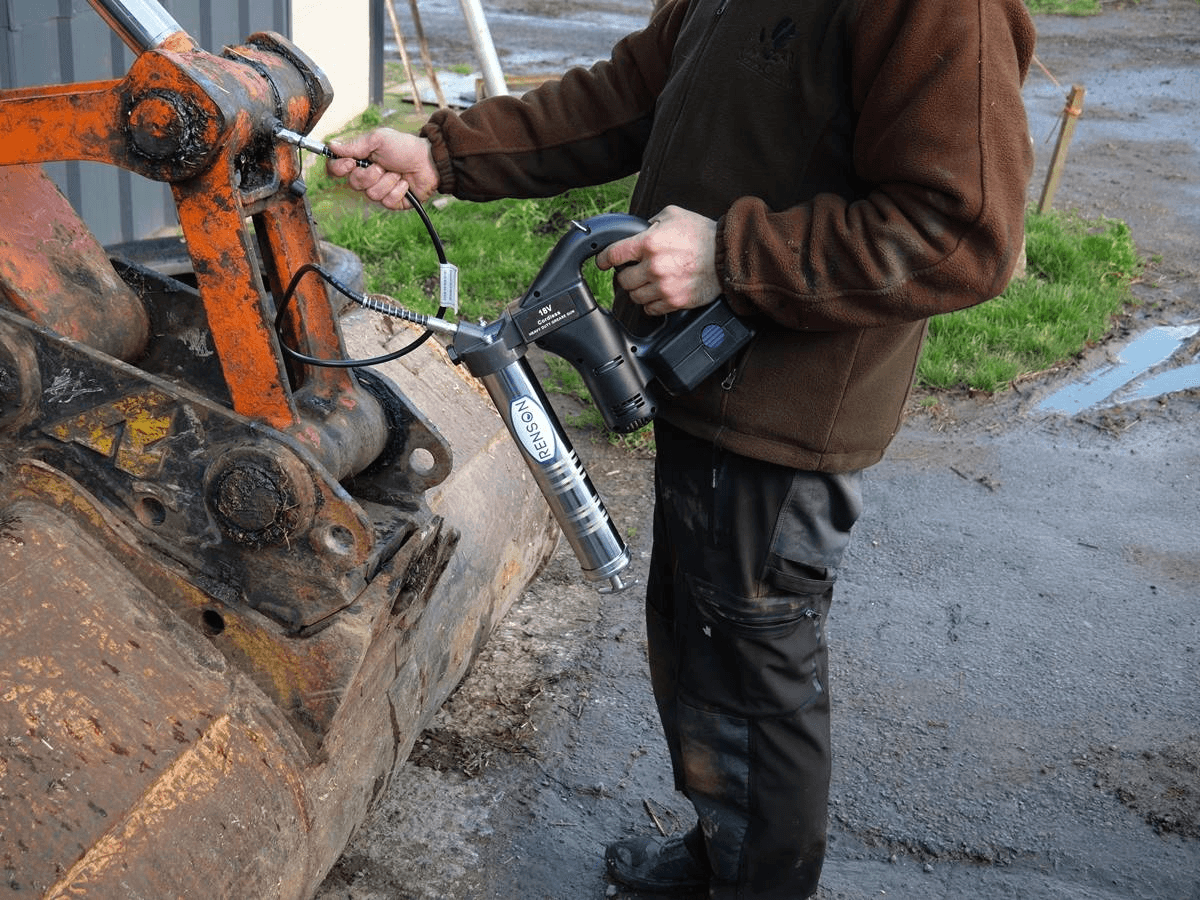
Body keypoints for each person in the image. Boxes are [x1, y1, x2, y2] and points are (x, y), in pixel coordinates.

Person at [328, 1, 1035, 896]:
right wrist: (447, 155)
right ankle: (721, 853)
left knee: (751, 675)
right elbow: (633, 92)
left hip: (787, 414)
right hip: (696, 373)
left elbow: (964, 232)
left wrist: (733, 258)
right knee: (698, 644)